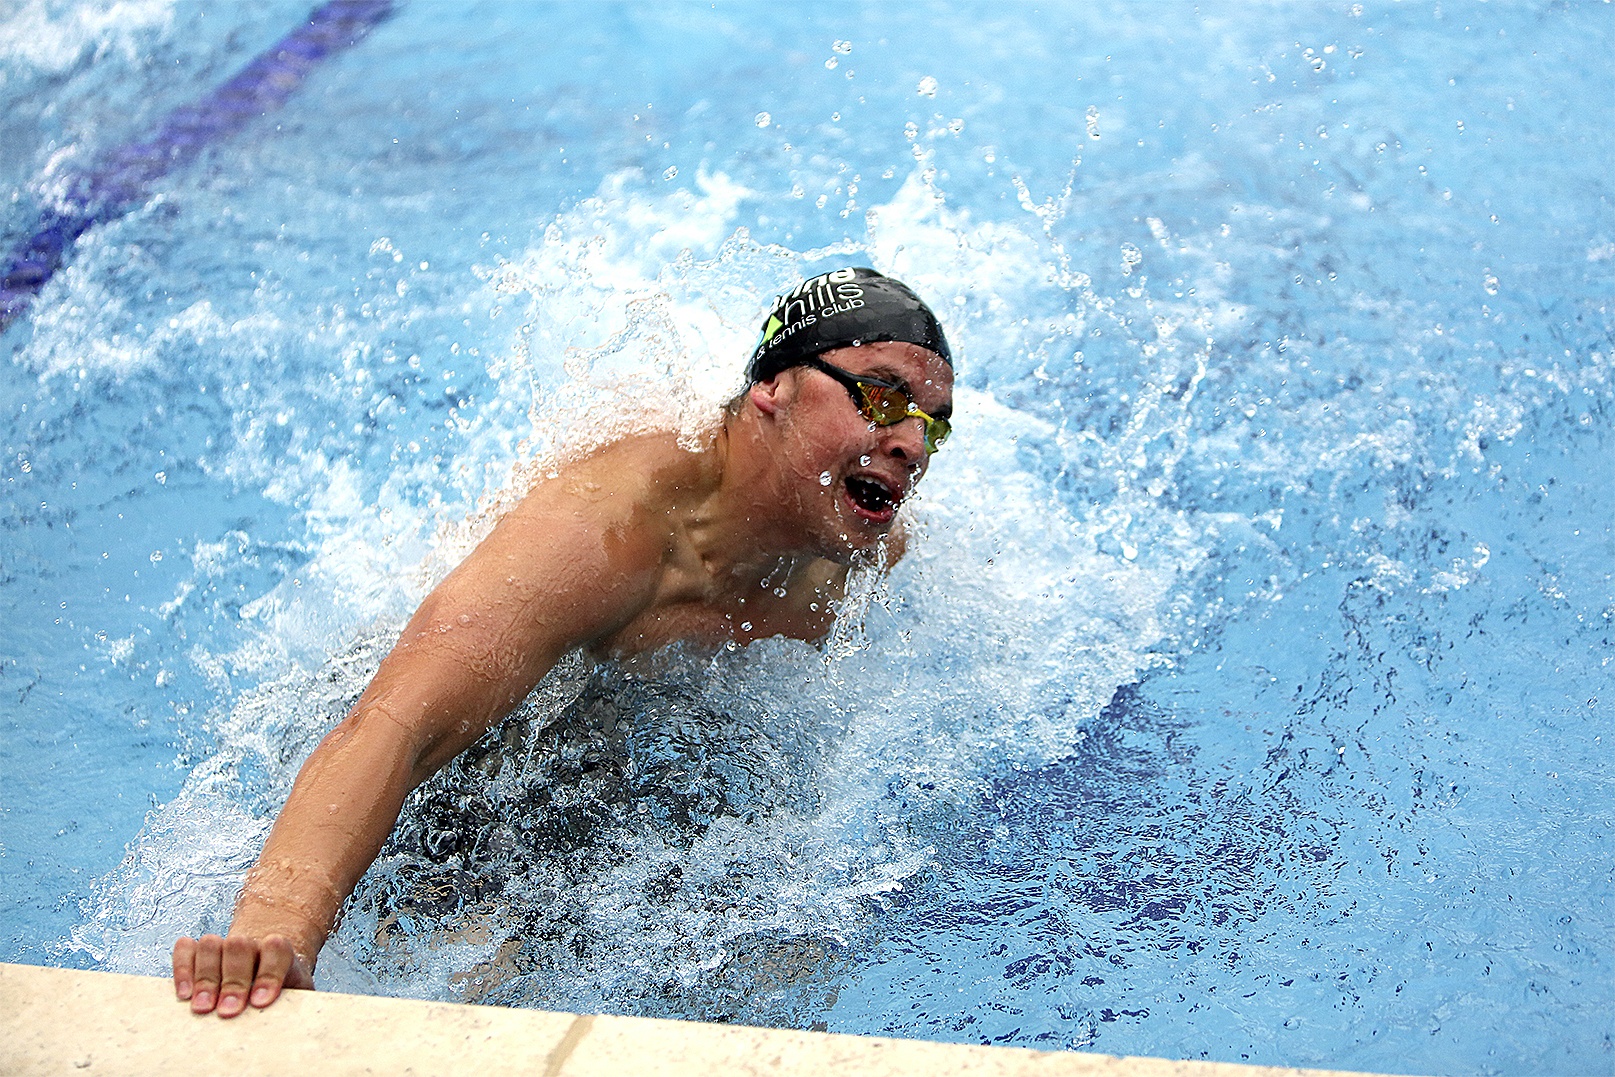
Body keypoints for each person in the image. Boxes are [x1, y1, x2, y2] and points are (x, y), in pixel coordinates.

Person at [171, 266, 955, 1016]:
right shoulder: (612, 522)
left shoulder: (860, 557)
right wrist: (274, 924)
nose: (911, 445)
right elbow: (399, 724)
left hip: (629, 744)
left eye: (931, 422)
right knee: (476, 959)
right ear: (771, 387)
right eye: (883, 397)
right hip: (466, 748)